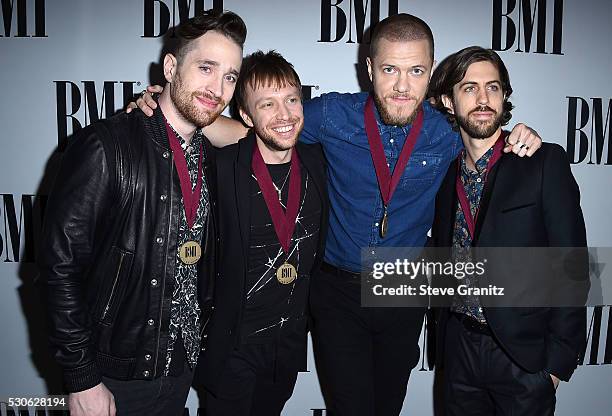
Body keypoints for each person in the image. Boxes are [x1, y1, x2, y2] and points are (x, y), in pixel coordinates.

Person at [131, 13, 543, 416]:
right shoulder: (332, 114)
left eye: (416, 70)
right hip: (337, 289)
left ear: (431, 71)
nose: (402, 86)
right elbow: (259, 132)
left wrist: (520, 135)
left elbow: (487, 138)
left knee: (387, 406)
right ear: (369, 69)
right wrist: (168, 113)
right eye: (389, 70)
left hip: (404, 286)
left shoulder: (446, 130)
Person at [38, 10, 246, 416]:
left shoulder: (213, 156)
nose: (218, 88)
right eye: (206, 68)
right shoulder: (106, 147)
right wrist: (82, 378)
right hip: (117, 372)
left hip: (181, 367)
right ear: (170, 67)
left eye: (230, 76)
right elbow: (59, 268)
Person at [427, 46, 588, 415]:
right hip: (458, 352)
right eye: (469, 88)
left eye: (493, 87)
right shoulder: (443, 174)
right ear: (448, 102)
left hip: (524, 358)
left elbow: (572, 265)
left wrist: (555, 367)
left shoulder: (543, 162)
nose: (484, 99)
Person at [195, 50, 328, 416]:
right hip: (231, 349)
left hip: (285, 349)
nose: (284, 115)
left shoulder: (319, 162)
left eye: (291, 100)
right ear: (245, 115)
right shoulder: (221, 167)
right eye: (267, 104)